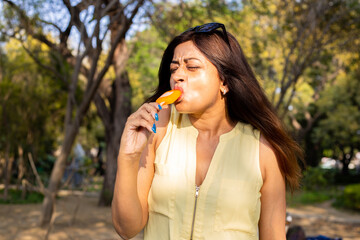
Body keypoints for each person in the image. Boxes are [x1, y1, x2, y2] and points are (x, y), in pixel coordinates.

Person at [112, 22, 303, 240]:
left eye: (191, 67)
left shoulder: (264, 150)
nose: (177, 76)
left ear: (224, 81)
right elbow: (126, 229)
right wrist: (128, 157)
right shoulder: (159, 127)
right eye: (174, 68)